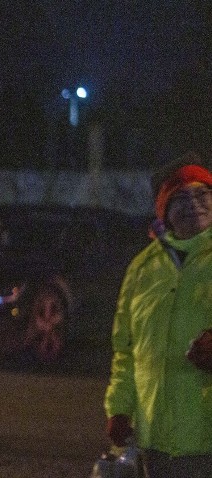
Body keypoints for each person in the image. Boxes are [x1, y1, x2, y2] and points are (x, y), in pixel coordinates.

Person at [103, 151, 212, 478]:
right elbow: (125, 349)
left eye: (202, 194)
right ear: (164, 212)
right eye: (180, 198)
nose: (193, 204)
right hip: (155, 445)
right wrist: (119, 409)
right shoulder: (143, 268)